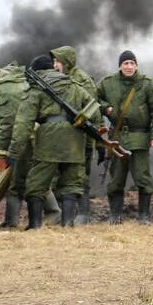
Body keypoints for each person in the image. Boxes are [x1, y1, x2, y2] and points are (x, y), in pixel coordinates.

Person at [5, 54, 99, 229]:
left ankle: (35, 225)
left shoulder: (35, 89)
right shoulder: (75, 86)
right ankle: (68, 224)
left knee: (36, 182)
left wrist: (14, 151)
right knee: (71, 182)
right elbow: (94, 110)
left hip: (49, 138)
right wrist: (90, 144)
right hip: (74, 139)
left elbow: (23, 123)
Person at [96, 50, 153, 224]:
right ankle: (114, 216)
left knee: (143, 179)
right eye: (125, 63)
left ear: (136, 65)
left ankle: (144, 217)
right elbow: (94, 100)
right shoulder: (107, 83)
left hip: (140, 137)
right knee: (116, 180)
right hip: (117, 138)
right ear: (120, 65)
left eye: (132, 63)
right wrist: (106, 109)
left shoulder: (147, 84)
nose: (129, 67)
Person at [52, 46, 97, 223]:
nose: (55, 65)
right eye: (54, 61)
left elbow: (91, 110)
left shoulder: (82, 81)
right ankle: (62, 215)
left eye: (58, 61)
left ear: (67, 62)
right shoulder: (58, 79)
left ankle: (83, 214)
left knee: (80, 176)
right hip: (61, 137)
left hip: (80, 137)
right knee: (59, 175)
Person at [0, 62, 29, 228]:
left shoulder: (3, 91)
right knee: (31, 178)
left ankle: (11, 222)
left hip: (22, 139)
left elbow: (8, 125)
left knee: (16, 182)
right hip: (28, 136)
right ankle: (52, 214)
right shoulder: (10, 82)